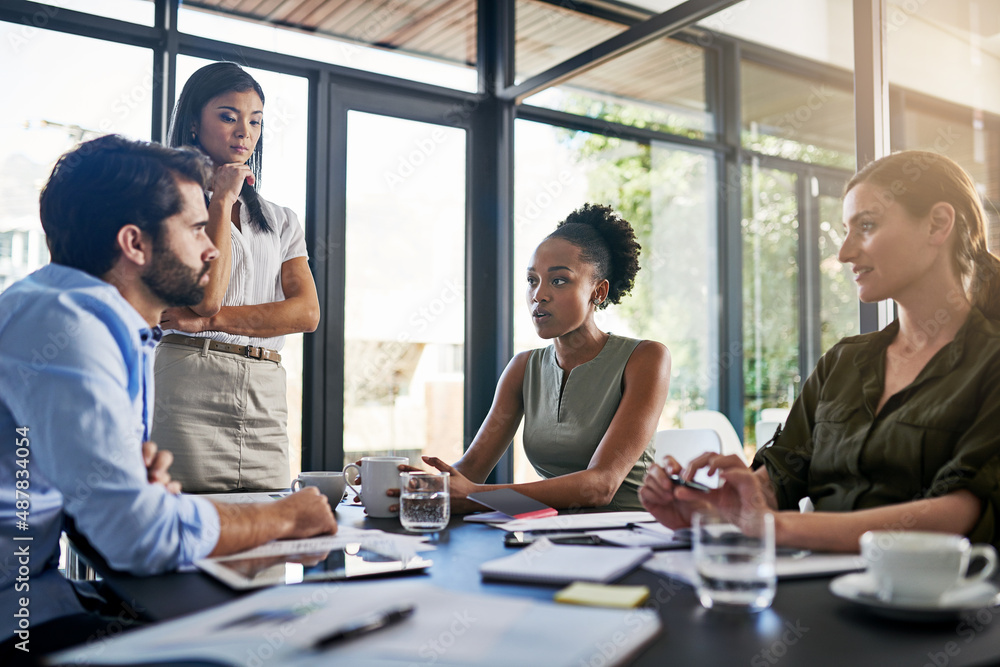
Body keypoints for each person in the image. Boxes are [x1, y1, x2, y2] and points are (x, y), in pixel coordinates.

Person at [0, 135, 336, 661]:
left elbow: (99, 509)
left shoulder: (95, 319)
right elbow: (135, 535)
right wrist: (286, 517)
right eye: (198, 229)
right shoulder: (69, 326)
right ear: (135, 244)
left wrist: (128, 488)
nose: (212, 248)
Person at [640, 150, 1000, 551]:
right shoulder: (843, 362)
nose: (845, 253)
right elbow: (781, 476)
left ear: (937, 224)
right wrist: (710, 509)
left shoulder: (991, 361)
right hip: (816, 587)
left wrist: (779, 528)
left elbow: (957, 515)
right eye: (846, 230)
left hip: (935, 603)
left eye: (866, 225)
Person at [389, 204, 671, 513]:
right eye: (531, 280)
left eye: (559, 280)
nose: (539, 295)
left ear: (598, 291)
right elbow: (470, 470)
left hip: (634, 538)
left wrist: (476, 496)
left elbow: (600, 485)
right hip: (552, 537)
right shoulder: (523, 368)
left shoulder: (645, 358)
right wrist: (403, 488)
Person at [152, 61, 320, 492]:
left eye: (255, 121)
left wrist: (211, 321)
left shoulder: (281, 220)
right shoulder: (166, 205)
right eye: (228, 117)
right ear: (193, 124)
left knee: (267, 535)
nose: (244, 132)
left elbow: (305, 313)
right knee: (192, 535)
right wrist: (223, 199)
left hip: (265, 387)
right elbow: (206, 294)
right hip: (190, 382)